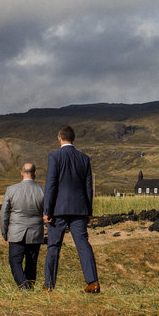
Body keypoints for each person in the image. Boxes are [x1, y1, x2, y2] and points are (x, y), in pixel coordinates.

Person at [42, 125, 100, 293]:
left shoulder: (55, 157)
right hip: (80, 209)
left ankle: (49, 285)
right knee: (83, 244)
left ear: (59, 138)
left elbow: (51, 185)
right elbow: (88, 188)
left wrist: (47, 210)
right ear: (73, 139)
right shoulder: (84, 158)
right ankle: (93, 282)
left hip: (58, 209)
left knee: (53, 246)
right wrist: (88, 211)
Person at [0, 162, 45, 290]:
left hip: (15, 232)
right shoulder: (43, 190)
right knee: (31, 262)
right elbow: (49, 212)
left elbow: (4, 213)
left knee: (14, 261)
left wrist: (4, 233)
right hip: (36, 232)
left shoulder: (11, 190)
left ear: (21, 173)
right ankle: (28, 286)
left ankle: (23, 285)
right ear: (35, 173)